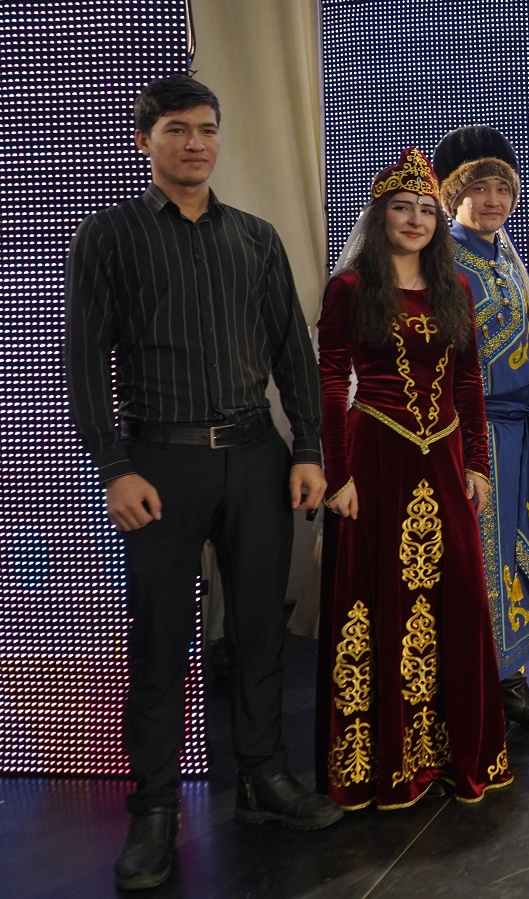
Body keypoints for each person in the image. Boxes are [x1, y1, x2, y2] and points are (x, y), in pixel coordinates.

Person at [64, 76, 341, 891]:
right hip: (160, 460)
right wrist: (114, 467)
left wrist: (307, 449)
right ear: (145, 140)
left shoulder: (255, 237)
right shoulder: (109, 236)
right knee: (159, 638)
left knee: (259, 630)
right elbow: (84, 359)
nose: (196, 143)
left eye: (207, 129)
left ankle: (264, 778)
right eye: (178, 129)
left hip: (256, 455)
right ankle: (153, 809)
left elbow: (292, 350)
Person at [317, 148, 512, 809]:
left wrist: (479, 463)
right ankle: (387, 764)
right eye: (403, 208)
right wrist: (338, 475)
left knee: (457, 600)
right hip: (376, 457)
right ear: (380, 216)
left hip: (445, 457)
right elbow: (330, 382)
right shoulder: (350, 288)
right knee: (381, 603)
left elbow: (468, 381)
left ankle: (455, 756)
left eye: (427, 210)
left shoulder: (455, 287)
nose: (416, 220)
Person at [435, 126, 529, 734]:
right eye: (479, 188)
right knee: (474, 558)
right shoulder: (439, 259)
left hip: (518, 429)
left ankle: (510, 680)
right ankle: (468, 689)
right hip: (468, 432)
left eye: (503, 189)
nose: (493, 200)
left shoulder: (508, 255)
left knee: (511, 553)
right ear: (453, 194)